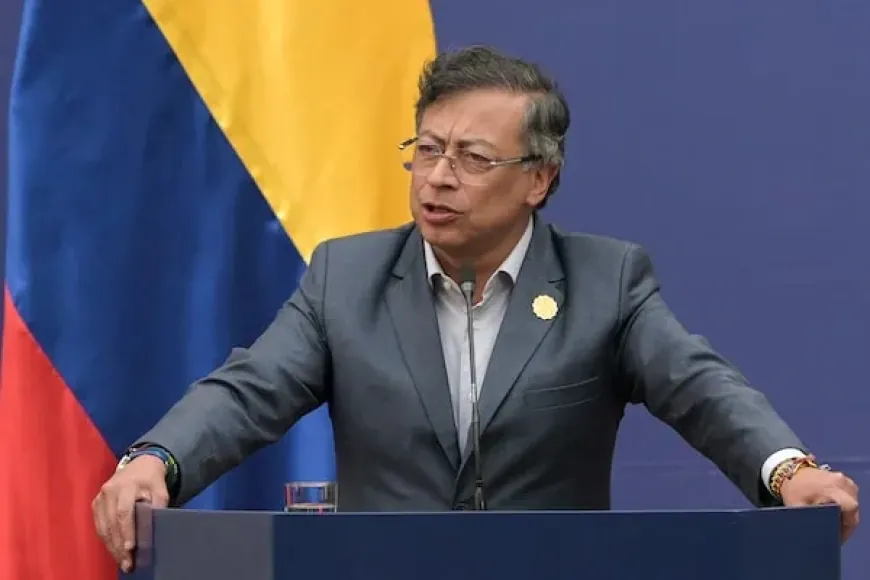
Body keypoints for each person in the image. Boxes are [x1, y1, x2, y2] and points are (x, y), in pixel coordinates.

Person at [92, 45, 859, 572]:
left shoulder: (607, 281)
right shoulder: (346, 277)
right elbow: (251, 389)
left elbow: (701, 388)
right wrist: (156, 460)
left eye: (473, 158)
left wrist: (788, 471)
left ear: (539, 179)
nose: (438, 177)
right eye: (427, 150)